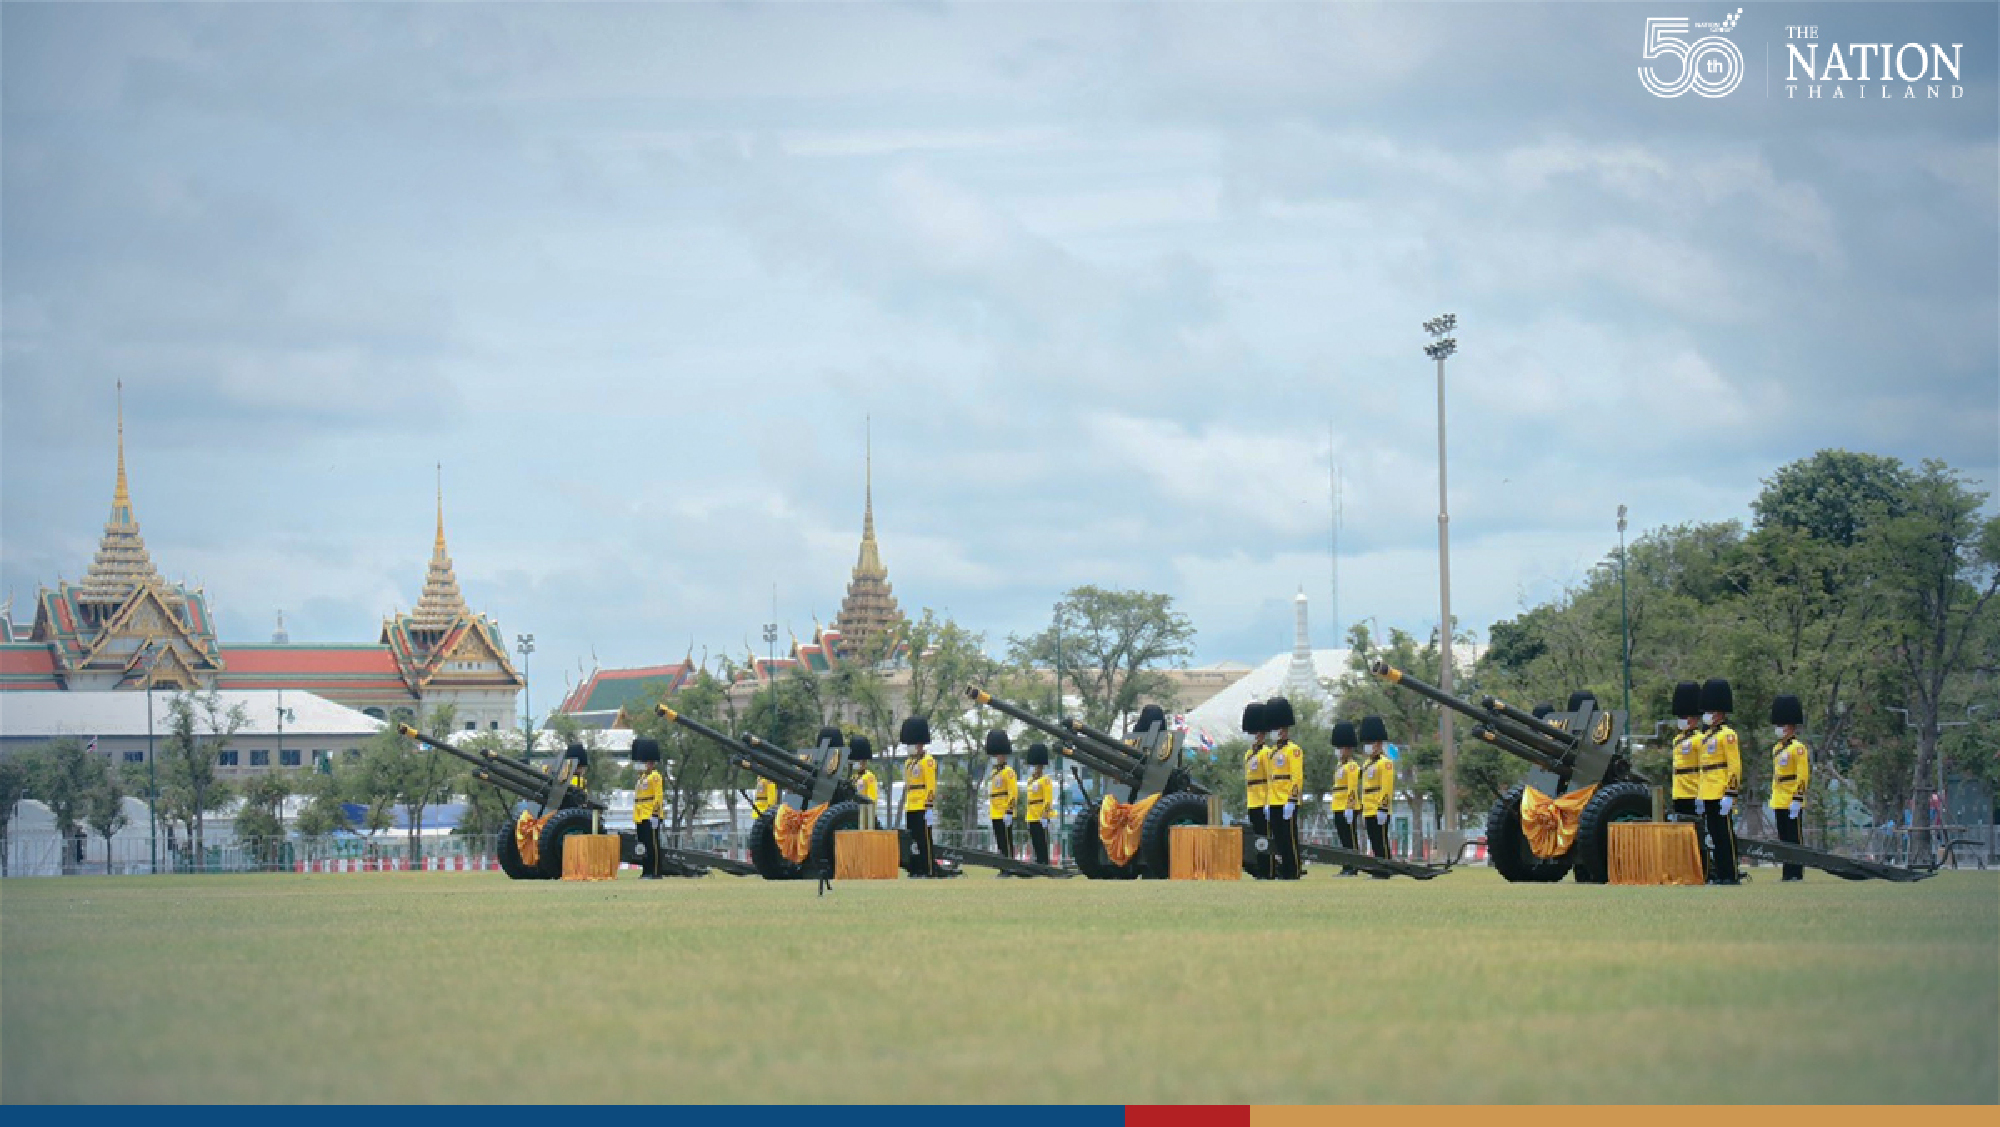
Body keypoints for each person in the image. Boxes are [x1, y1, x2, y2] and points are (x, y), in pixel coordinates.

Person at [1698, 678, 1743, 886]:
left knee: (1725, 836)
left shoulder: (1728, 735)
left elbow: (1734, 766)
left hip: (1721, 791)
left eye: (1711, 711)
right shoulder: (1706, 736)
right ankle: (1720, 873)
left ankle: (1731, 874)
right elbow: (1704, 768)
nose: (1707, 715)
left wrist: (1730, 793)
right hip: (1708, 791)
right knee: (1715, 836)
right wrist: (1700, 794)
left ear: (1719, 713)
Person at [1668, 680, 1709, 878]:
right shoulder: (1677, 740)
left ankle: (1702, 870)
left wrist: (1702, 794)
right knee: (1681, 835)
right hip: (1679, 791)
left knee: (1698, 835)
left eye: (1685, 717)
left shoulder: (1700, 740)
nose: (1682, 720)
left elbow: (1704, 768)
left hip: (1694, 791)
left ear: (1694, 719)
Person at [1768, 694, 1810, 882]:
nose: (1779, 728)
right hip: (1779, 797)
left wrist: (1798, 798)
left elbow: (1802, 775)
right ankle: (1787, 872)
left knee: (1794, 837)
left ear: (1791, 726)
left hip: (1792, 798)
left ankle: (1796, 872)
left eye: (1782, 725)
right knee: (1784, 838)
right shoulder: (1777, 748)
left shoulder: (1797, 748)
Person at [1264, 696, 1304, 880]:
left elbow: (1296, 777)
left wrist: (1292, 799)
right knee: (1279, 838)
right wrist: (1267, 802)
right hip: (1274, 800)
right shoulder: (1273, 752)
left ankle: (1293, 870)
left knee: (1290, 838)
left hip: (1287, 800)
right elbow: (1271, 779)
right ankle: (1284, 869)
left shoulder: (1293, 750)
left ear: (1283, 729)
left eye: (1276, 728)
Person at [901, 716, 938, 877]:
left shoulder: (927, 761)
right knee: (913, 840)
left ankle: (928, 869)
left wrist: (929, 806)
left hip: (923, 804)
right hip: (911, 804)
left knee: (924, 840)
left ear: (919, 744)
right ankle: (916, 868)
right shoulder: (908, 763)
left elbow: (931, 785)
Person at [1359, 715, 1396, 875]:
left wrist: (1383, 807)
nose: (1368, 746)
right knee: (1374, 840)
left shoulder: (1385, 763)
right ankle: (1378, 867)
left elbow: (1386, 787)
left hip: (1379, 807)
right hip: (1368, 808)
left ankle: (1385, 869)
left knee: (1381, 840)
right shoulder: (1367, 763)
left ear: (1379, 743)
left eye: (1371, 742)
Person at [1241, 701, 1273, 878]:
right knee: (1257, 838)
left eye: (1253, 733)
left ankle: (1268, 869)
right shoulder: (1249, 754)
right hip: (1252, 800)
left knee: (1264, 837)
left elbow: (1270, 778)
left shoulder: (1266, 753)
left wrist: (1268, 801)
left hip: (1263, 800)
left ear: (1261, 734)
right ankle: (1260, 868)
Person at [1328, 721, 1362, 876]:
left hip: (1347, 806)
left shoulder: (1352, 766)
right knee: (1343, 838)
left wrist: (1350, 806)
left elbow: (1352, 788)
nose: (1339, 751)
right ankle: (1346, 865)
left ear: (1348, 749)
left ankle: (1354, 865)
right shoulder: (1340, 766)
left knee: (1350, 838)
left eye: (1341, 748)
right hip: (1338, 805)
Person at [631, 737, 665, 879]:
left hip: (650, 814)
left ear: (650, 763)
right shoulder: (642, 778)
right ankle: (646, 870)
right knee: (643, 846)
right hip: (640, 815)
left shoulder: (655, 777)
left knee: (653, 845)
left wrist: (655, 814)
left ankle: (655, 871)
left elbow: (658, 796)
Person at [985, 728, 1019, 870]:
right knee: (1000, 842)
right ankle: (1003, 867)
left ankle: (1009, 867)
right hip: (995, 811)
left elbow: (1013, 792)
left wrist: (1009, 811)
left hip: (1005, 811)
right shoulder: (994, 772)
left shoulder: (1008, 772)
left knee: (1006, 842)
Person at [1022, 743, 1055, 866]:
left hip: (1041, 813)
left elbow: (1048, 798)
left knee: (1042, 839)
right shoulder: (1030, 781)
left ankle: (1044, 861)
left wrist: (1045, 813)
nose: (1034, 768)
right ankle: (1038, 859)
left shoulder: (1045, 780)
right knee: (1035, 839)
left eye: (1036, 766)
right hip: (1031, 814)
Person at [848, 736, 881, 829]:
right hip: (853, 813)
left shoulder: (869, 777)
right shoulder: (853, 778)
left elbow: (872, 798)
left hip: (865, 813)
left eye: (858, 761)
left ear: (864, 762)